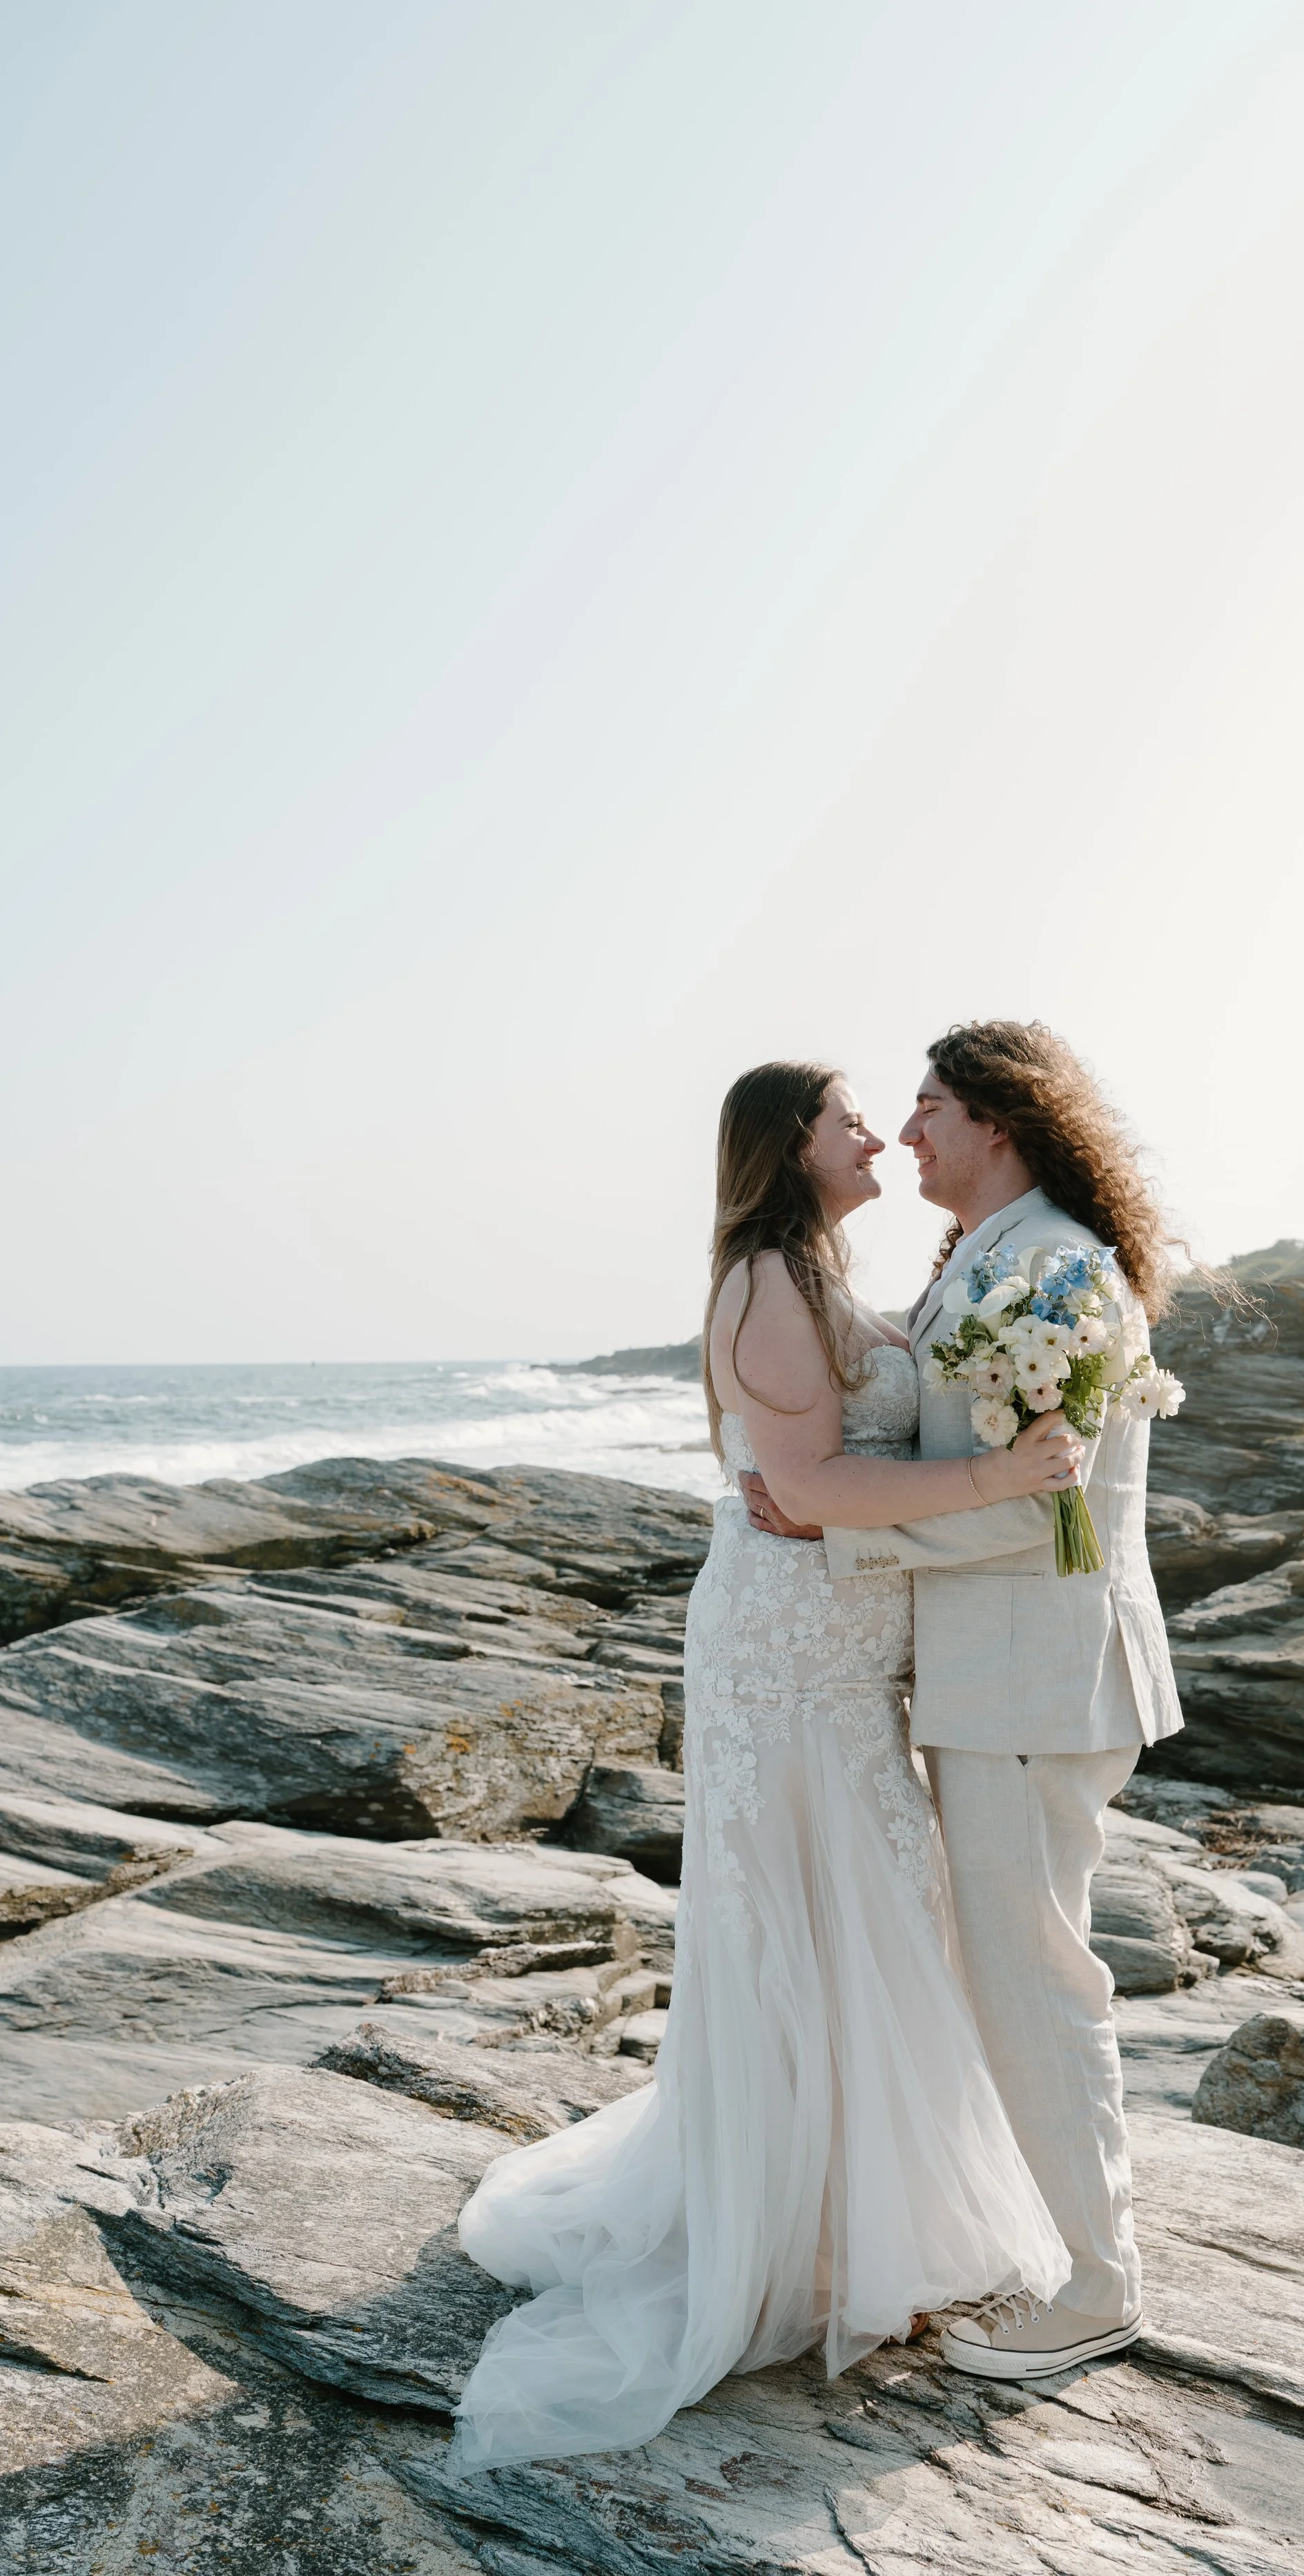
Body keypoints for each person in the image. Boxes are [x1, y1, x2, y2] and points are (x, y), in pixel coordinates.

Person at [450, 1061, 1079, 2467]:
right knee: (810, 1906)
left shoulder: (823, 1274)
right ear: (787, 1147)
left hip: (841, 1650)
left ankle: (859, 2217)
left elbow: (833, 1452)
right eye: (847, 1118)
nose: (872, 1136)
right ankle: (786, 2237)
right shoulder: (761, 1281)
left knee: (868, 1903)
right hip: (784, 1655)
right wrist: (1004, 1477)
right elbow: (804, 1487)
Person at [743, 1019, 1183, 2379]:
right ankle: (1055, 2253)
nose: (908, 1130)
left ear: (1001, 1120)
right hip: (1006, 1677)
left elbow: (1025, 1506)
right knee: (1008, 1970)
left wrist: (838, 1534)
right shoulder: (995, 1260)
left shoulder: (1049, 1266)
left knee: (1032, 1978)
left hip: (1031, 1680)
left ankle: (1097, 2284)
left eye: (929, 1105)